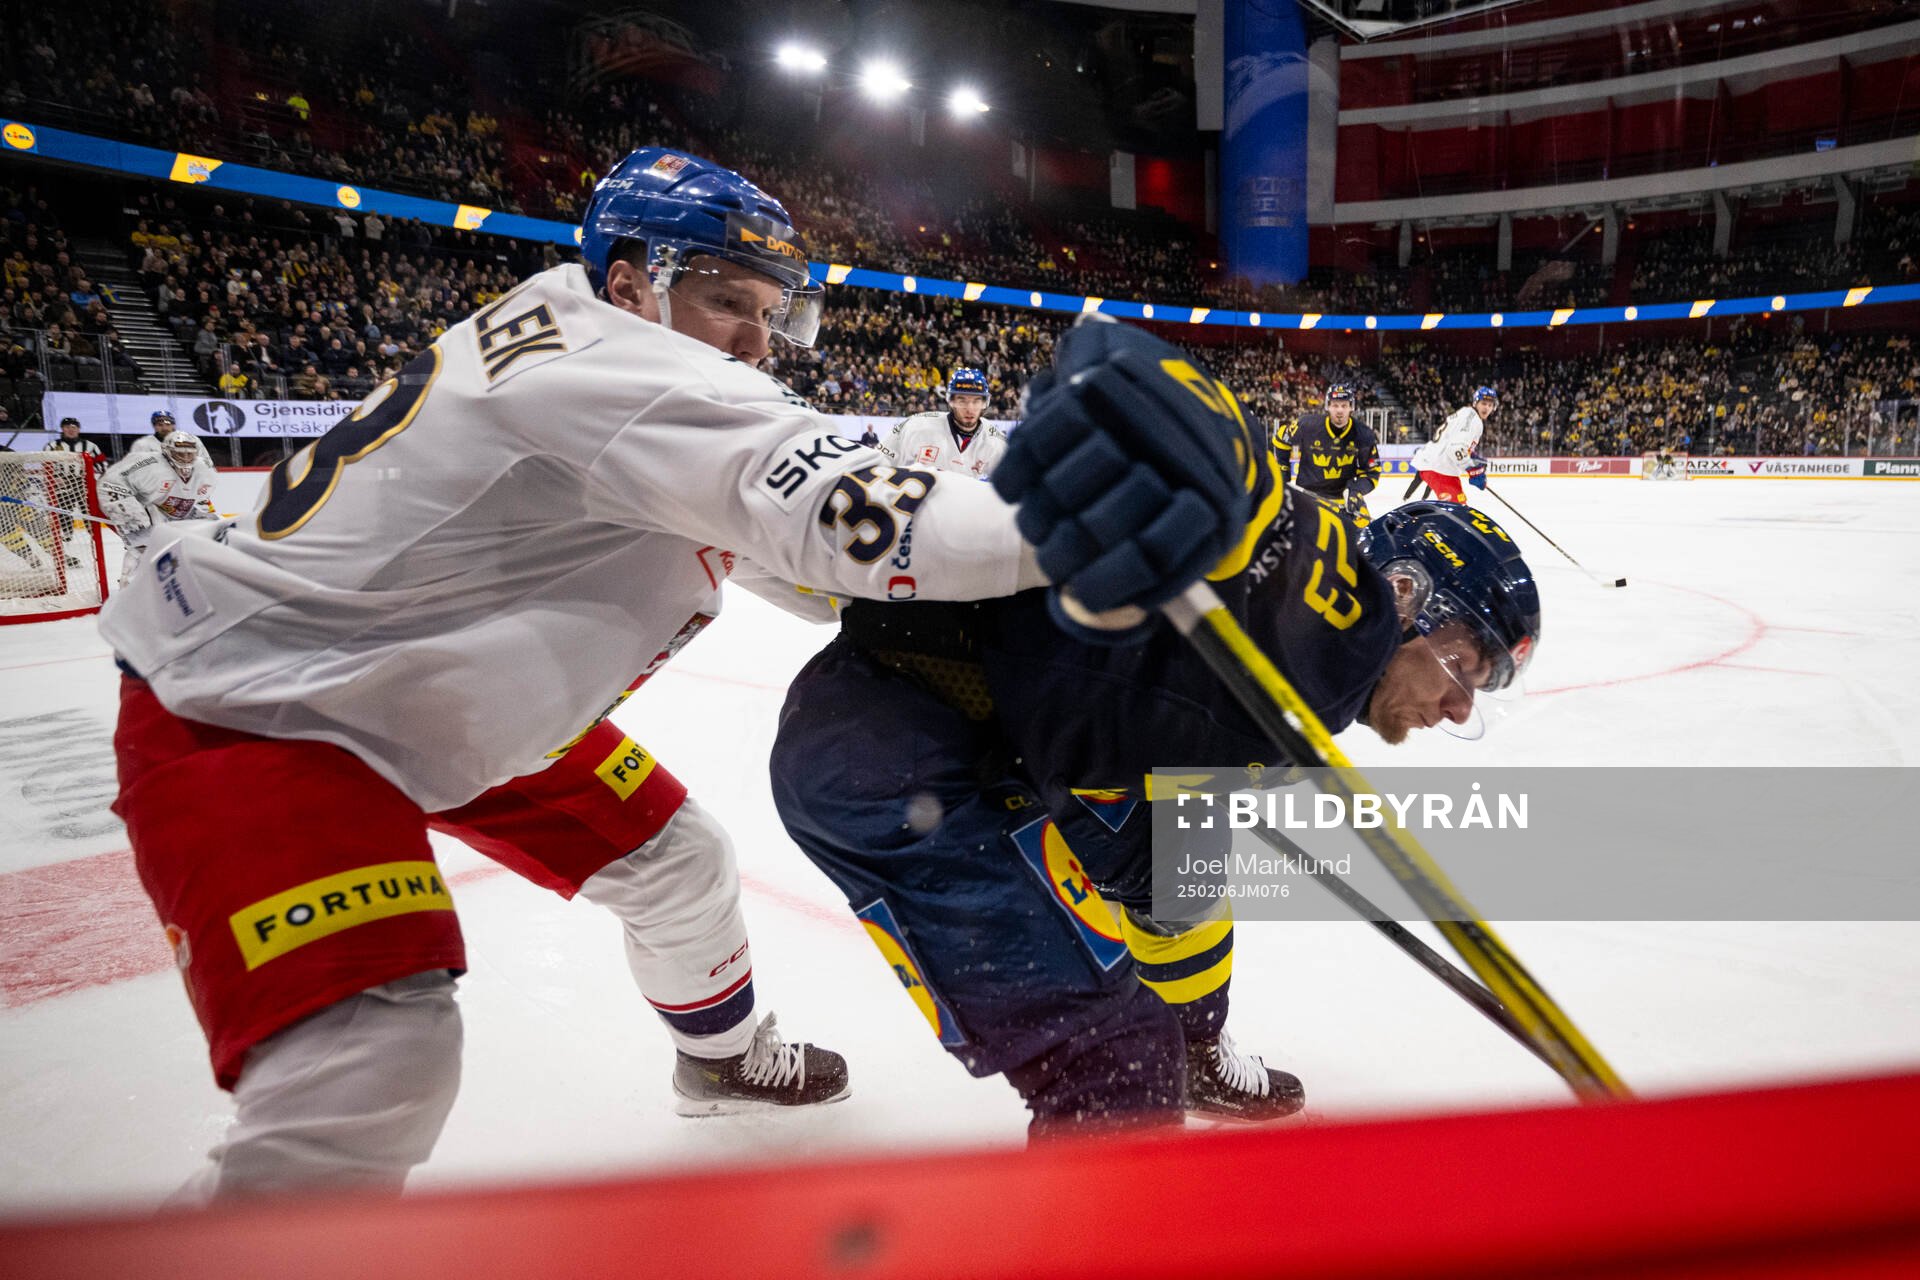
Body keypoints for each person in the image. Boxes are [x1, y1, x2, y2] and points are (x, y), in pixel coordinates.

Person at [95, 146, 1067, 1200]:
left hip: (411, 684)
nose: (755, 336)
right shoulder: (613, 367)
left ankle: (719, 1054)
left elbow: (782, 551)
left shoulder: (585, 346)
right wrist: (1093, 527)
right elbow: (845, 518)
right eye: (723, 298)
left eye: (769, 308)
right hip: (271, 706)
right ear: (629, 282)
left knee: (677, 861)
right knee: (367, 1065)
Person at [771, 484, 1541, 1135]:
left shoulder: (1303, 625)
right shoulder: (1288, 643)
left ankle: (1197, 1049)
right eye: (1462, 669)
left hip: (977, 733)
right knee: (1117, 1062)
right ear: (1404, 592)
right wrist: (1203, 758)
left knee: (1193, 851)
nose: (1453, 705)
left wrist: (1205, 770)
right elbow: (1072, 719)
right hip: (895, 753)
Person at [98, 432, 221, 585]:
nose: (185, 458)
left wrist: (206, 516)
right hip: (142, 506)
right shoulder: (148, 463)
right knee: (144, 544)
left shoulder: (203, 469)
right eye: (180, 453)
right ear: (167, 451)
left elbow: (201, 500)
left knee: (212, 535)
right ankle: (130, 586)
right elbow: (111, 483)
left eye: (190, 454)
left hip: (169, 507)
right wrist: (129, 511)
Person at [1272, 384, 1380, 525]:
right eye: (1335, 405)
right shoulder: (1307, 426)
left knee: (1365, 539)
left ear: (1351, 407)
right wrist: (1283, 473)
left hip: (1344, 499)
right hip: (1308, 498)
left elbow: (1371, 473)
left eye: (1344, 405)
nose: (1339, 410)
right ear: (1327, 406)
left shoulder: (1364, 435)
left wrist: (1355, 492)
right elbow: (1281, 439)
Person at [878, 367, 1006, 478]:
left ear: (984, 403)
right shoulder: (915, 426)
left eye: (976, 401)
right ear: (951, 401)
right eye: (962, 400)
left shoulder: (996, 442)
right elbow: (879, 464)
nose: (970, 408)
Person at [1409, 386, 1496, 504]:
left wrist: (1473, 456)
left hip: (1437, 466)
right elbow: (1455, 449)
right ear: (1476, 403)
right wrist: (1472, 469)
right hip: (1439, 468)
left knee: (1458, 510)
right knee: (1458, 513)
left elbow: (1455, 442)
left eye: (1490, 405)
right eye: (1484, 403)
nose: (1487, 408)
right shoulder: (1474, 420)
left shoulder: (1465, 412)